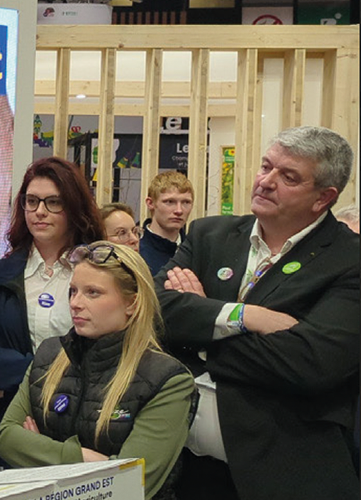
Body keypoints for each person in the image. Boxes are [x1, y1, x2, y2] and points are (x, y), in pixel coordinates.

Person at [156, 125, 359, 499]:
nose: (266, 181)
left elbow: (312, 363)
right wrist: (243, 317)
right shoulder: (208, 236)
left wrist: (199, 329)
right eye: (266, 166)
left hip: (285, 475)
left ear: (323, 198)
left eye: (288, 177)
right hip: (187, 471)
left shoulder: (349, 259)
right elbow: (155, 312)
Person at [0, 242, 193, 499]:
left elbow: (130, 484)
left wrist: (40, 453)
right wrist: (84, 458)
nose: (75, 303)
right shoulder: (50, 355)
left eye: (93, 293)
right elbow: (6, 438)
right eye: (73, 291)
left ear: (132, 304)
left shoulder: (167, 380)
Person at [0, 157, 104, 473]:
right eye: (31, 201)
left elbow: (114, 350)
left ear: (74, 208)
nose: (39, 211)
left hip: (83, 428)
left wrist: (8, 372)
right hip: (5, 431)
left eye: (53, 202)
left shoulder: (102, 274)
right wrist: (35, 373)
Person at [140, 171, 194, 275]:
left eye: (186, 202)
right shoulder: (136, 253)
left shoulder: (197, 254)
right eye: (170, 202)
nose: (179, 210)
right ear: (150, 203)